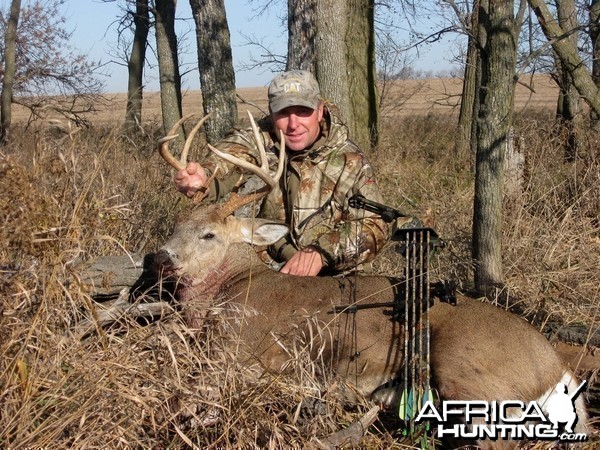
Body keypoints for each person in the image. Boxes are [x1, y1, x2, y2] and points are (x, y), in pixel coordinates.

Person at [174, 70, 389, 276]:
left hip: (334, 280)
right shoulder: (259, 140)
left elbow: (376, 225)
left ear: (320, 110)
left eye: (303, 111)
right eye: (283, 113)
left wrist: (320, 253)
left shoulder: (350, 161)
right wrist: (205, 174)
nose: (293, 124)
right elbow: (232, 152)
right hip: (266, 275)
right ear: (271, 112)